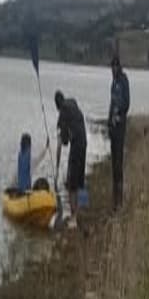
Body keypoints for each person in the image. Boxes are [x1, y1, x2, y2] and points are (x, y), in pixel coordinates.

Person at [54, 90, 87, 228]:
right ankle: (83, 209)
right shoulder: (73, 102)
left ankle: (74, 218)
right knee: (80, 179)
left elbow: (63, 143)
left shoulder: (63, 113)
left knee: (71, 184)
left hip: (76, 146)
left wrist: (56, 167)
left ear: (57, 105)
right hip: (84, 142)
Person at [108, 50, 131, 210]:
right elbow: (112, 102)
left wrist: (118, 114)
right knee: (113, 161)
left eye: (115, 67)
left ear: (118, 66)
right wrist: (109, 120)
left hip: (121, 124)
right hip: (113, 125)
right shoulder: (113, 82)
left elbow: (126, 103)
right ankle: (114, 196)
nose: (113, 70)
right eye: (111, 68)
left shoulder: (123, 80)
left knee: (119, 161)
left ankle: (120, 199)